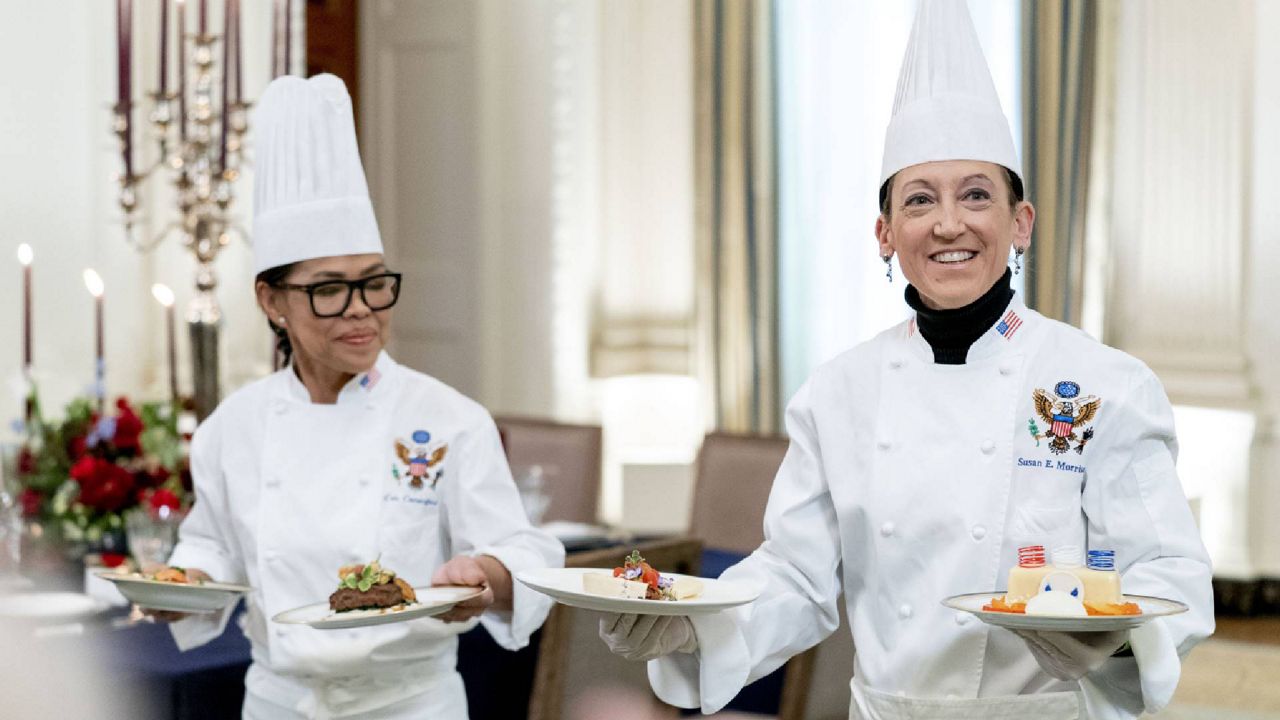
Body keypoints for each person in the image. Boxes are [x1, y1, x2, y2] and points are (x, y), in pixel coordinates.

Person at [598, 2, 1213, 718]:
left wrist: (1118, 643)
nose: (949, 223)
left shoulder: (1105, 384)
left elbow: (1172, 574)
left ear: (1021, 223)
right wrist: (685, 630)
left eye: (976, 195)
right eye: (920, 201)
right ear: (887, 234)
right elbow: (795, 578)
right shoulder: (838, 394)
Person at [154, 74, 564, 719]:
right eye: (329, 290)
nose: (362, 312)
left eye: (375, 283)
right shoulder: (232, 428)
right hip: (279, 705)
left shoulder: (448, 420)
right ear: (271, 300)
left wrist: (485, 574)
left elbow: (526, 551)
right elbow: (211, 546)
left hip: (410, 705)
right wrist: (182, 584)